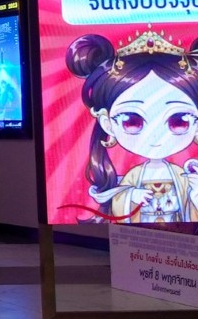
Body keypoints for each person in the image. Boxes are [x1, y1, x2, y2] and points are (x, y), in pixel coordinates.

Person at [65, 30, 198, 225]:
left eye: (179, 121)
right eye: (132, 121)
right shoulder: (134, 176)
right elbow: (120, 205)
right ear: (107, 123)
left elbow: (191, 209)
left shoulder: (181, 175)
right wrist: (132, 196)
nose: (156, 136)